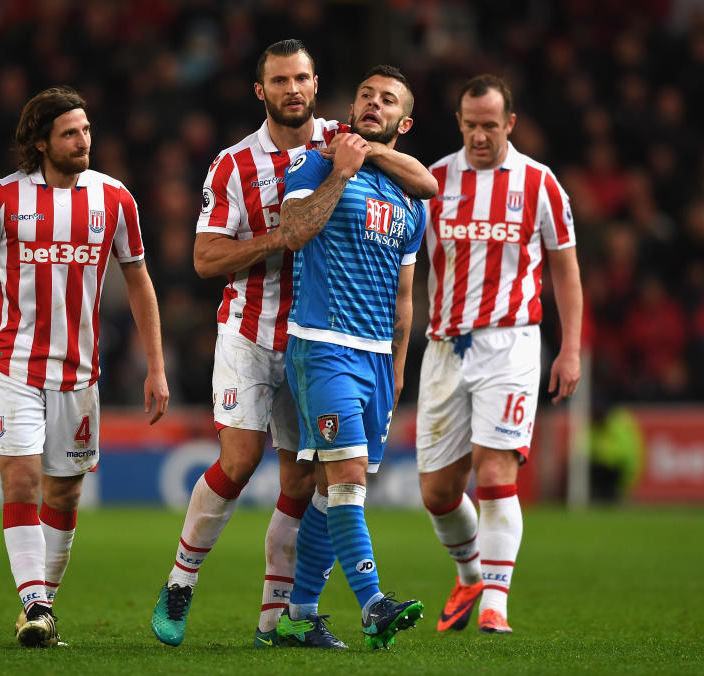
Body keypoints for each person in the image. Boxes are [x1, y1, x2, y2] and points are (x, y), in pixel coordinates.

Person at [150, 41, 437, 649]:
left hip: (316, 336)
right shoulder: (232, 166)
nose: (293, 89)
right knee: (239, 459)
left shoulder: (342, 137)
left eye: (303, 77)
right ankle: (181, 580)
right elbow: (204, 259)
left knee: (303, 482)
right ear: (262, 91)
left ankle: (276, 619)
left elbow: (421, 182)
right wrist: (277, 238)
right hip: (252, 328)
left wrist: (364, 157)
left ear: (315, 82)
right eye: (280, 80)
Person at [0, 86, 169, 648]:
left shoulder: (115, 200)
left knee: (63, 496)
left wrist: (156, 366)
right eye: (69, 133)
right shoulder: (2, 199)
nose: (83, 140)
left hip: (79, 374)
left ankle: (42, 611)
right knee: (20, 476)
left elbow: (138, 280)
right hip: (10, 363)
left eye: (86, 130)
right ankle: (34, 600)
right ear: (40, 143)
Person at [416, 74, 583, 635]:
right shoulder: (433, 181)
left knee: (494, 470)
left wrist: (571, 349)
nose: (480, 135)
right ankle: (469, 576)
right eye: (471, 125)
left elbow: (565, 268)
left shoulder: (539, 183)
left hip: (512, 342)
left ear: (510, 123)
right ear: (459, 122)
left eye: (491, 125)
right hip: (443, 347)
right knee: (438, 493)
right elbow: (405, 270)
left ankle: (496, 605)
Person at [275, 65, 428, 651]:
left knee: (331, 492)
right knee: (345, 478)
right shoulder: (317, 161)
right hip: (323, 345)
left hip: (377, 362)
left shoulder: (411, 196)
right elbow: (292, 230)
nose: (373, 103)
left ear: (403, 122)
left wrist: (398, 367)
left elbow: (404, 298)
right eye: (365, 94)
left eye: (387, 99)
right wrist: (340, 172)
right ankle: (372, 604)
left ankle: (298, 614)